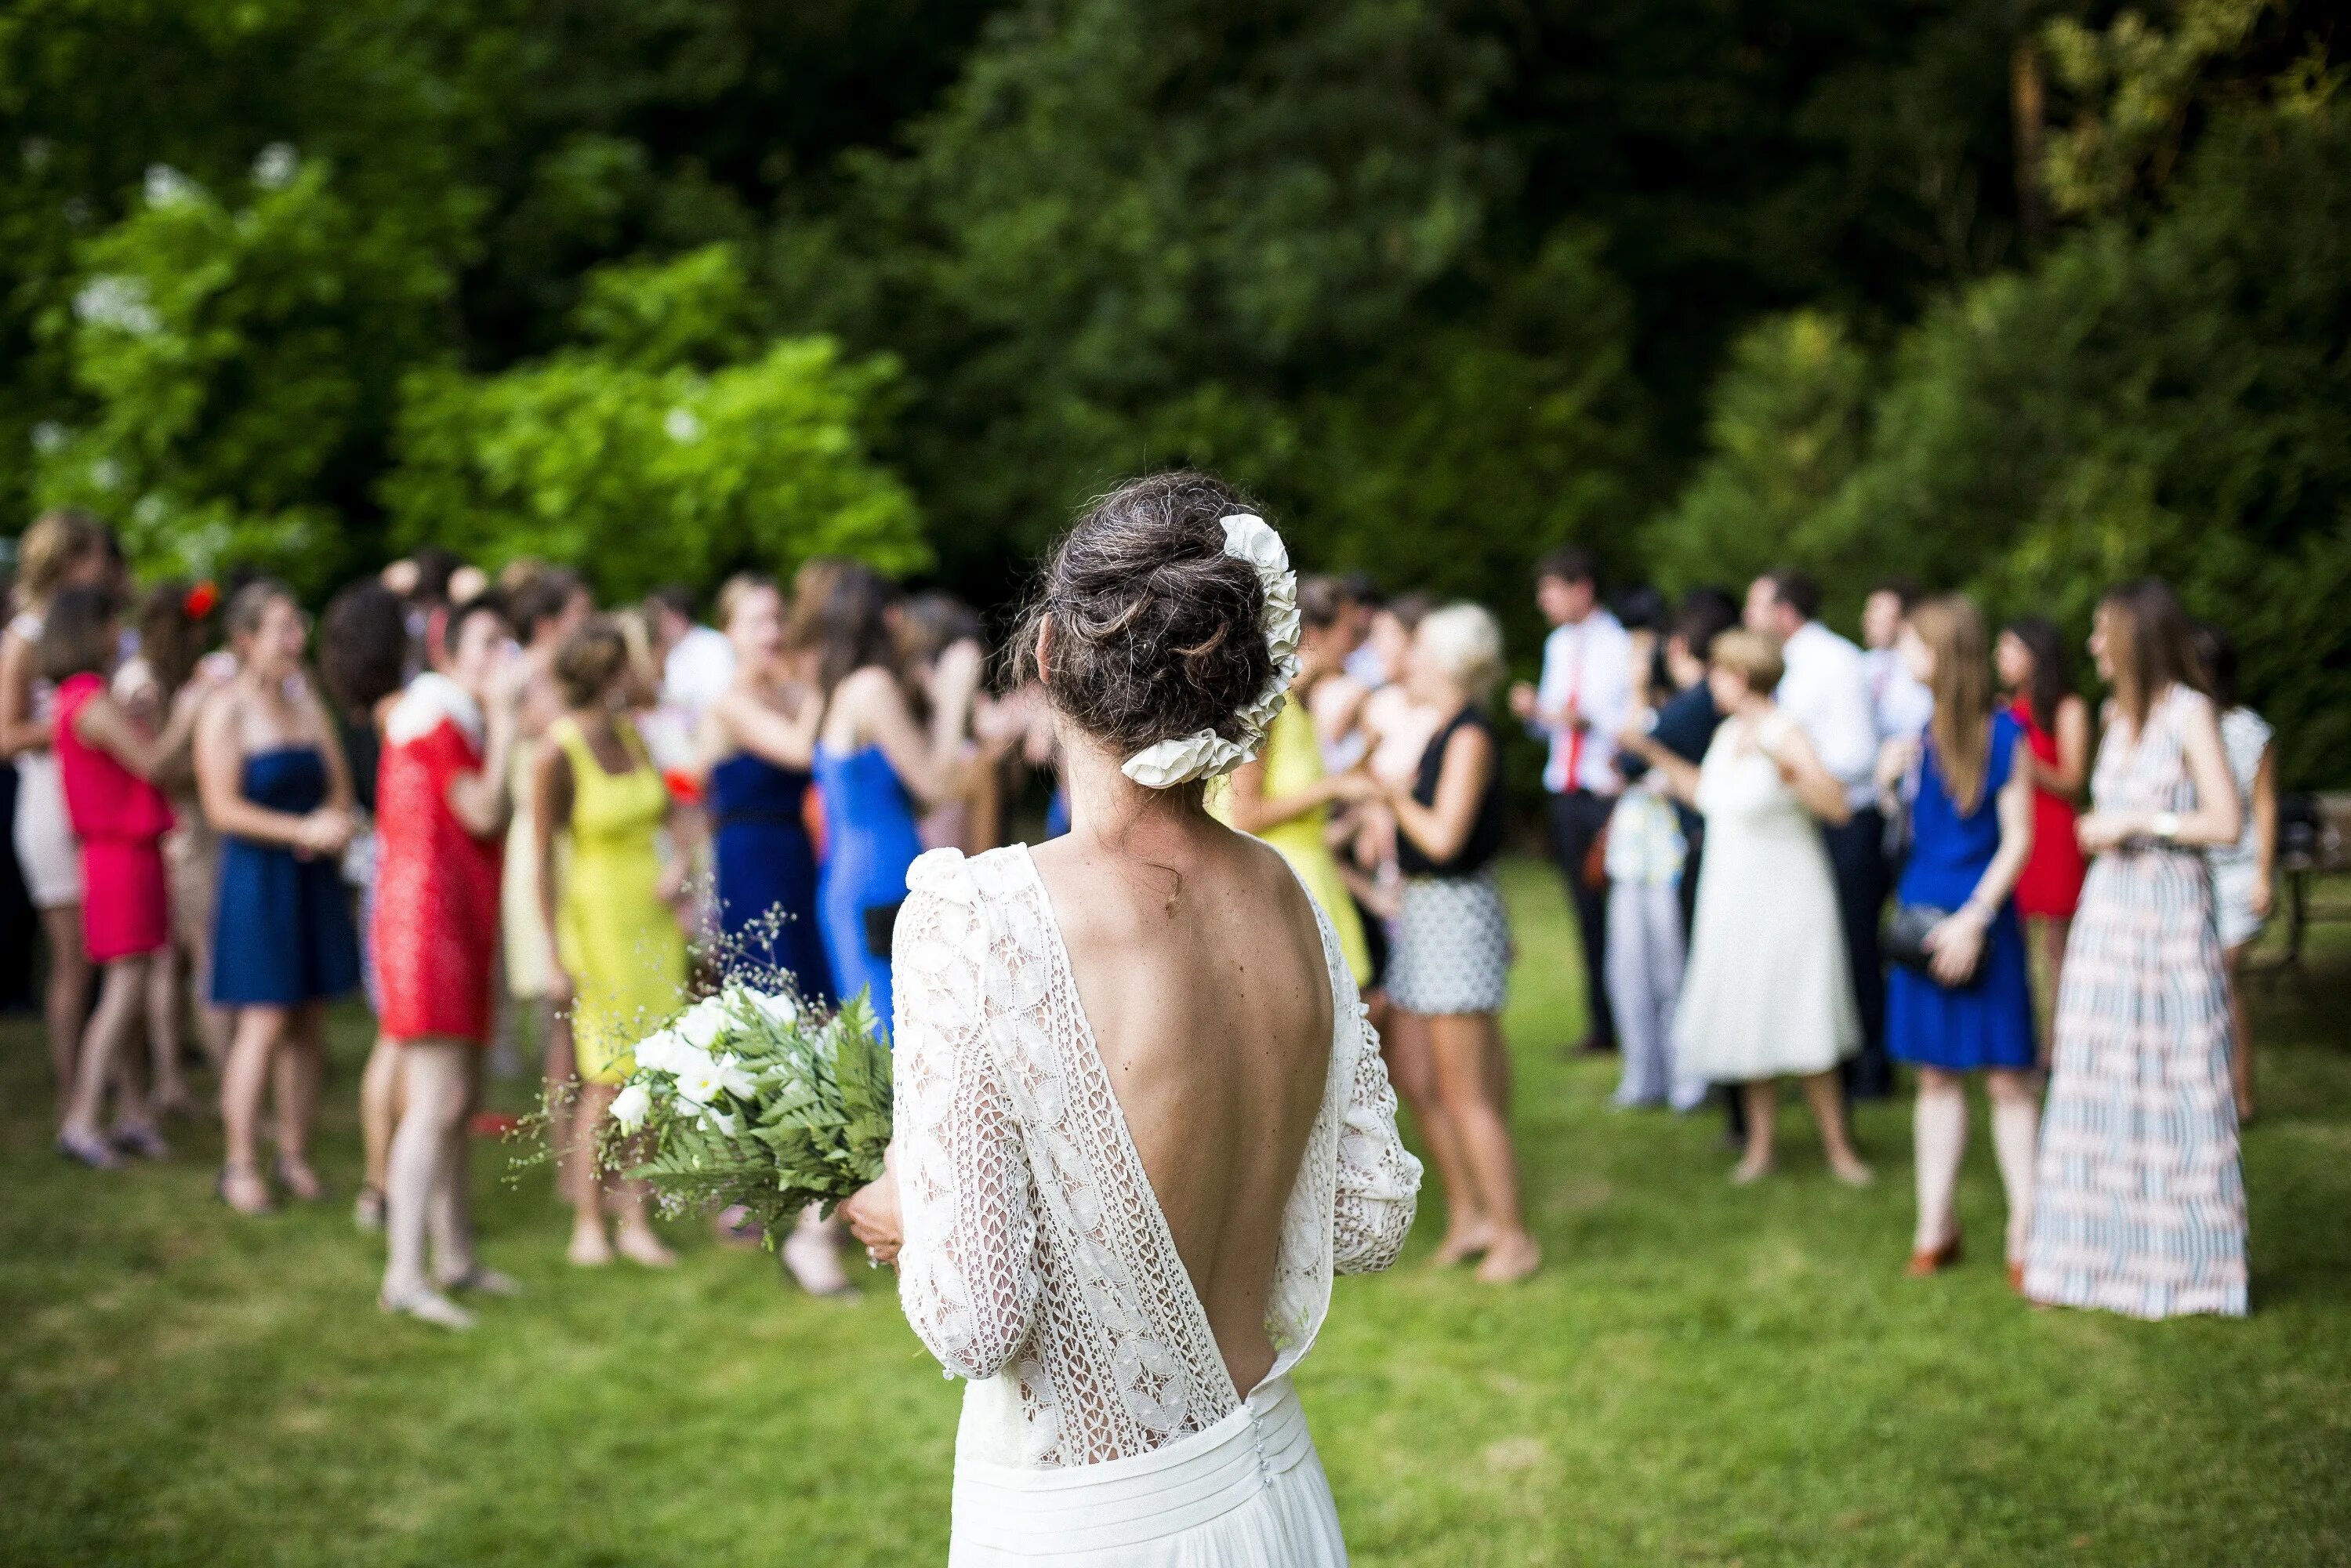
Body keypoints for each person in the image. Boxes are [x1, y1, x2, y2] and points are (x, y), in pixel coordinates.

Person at [837, 471, 1420, 1564]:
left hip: (1091, 1523)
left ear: (1048, 654)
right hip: (1277, 1493)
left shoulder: (978, 920)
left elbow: (975, 1321)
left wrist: (909, 1204)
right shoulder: (1290, 898)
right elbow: (1366, 1220)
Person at [2023, 581, 2247, 1319]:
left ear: (2132, 637)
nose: (2090, 645)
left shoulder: (2187, 713)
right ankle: (2091, 1253)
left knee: (2173, 1075)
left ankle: (2188, 1264)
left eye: (2100, 631)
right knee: (2096, 1075)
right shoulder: (2117, 718)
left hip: (2168, 914)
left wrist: (2139, 823)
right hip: (2109, 916)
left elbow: (2223, 821)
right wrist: (2099, 826)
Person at [1634, 629, 1872, 1185]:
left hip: (1787, 894)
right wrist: (1653, 754)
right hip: (1733, 895)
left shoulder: (1784, 732)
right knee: (1750, 1016)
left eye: (1716, 671)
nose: (1708, 681)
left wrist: (1791, 772)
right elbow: (1710, 797)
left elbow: (1837, 806)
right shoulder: (1725, 734)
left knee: (1803, 1011)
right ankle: (1760, 1147)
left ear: (1738, 676)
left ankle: (1839, 1148)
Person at [1876, 597, 2040, 1284]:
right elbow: (1912, 832)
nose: (1902, 657)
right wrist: (1889, 788)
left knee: (2007, 1078)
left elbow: (2019, 838)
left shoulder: (2006, 737)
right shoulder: (1917, 736)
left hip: (1982, 918)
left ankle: (2027, 1234)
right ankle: (1933, 1224)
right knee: (1935, 1075)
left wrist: (1974, 917)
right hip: (1921, 917)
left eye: (1912, 645)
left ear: (1944, 656)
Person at [375, 595, 526, 1329]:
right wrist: (503, 722)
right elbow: (484, 811)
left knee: (459, 1102)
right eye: (490, 642)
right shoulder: (435, 721)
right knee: (432, 1102)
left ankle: (454, 1256)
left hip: (456, 922)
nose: (505, 659)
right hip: (426, 927)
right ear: (449, 655)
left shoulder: (446, 720)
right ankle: (404, 1274)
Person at [1380, 603, 1540, 1283]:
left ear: (1445, 664)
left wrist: (1390, 798)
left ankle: (1513, 1236)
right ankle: (1469, 1214)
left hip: (1452, 915)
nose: (1405, 662)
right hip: (1426, 915)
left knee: (1467, 1091)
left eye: (1416, 652)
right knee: (1420, 1079)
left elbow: (1444, 838)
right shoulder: (1446, 729)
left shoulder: (1469, 737)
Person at [198, 580, 362, 1215]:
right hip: (258, 880)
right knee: (263, 1021)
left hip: (311, 877)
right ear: (246, 641)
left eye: (299, 627)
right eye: (283, 629)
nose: (297, 640)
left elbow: (341, 787)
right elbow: (220, 806)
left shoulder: (308, 705)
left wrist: (334, 820)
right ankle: (239, 1162)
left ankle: (294, 1152)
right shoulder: (226, 709)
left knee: (310, 1020)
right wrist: (300, 829)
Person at [535, 618, 686, 1269]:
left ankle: (636, 1214)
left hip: (651, 919)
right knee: (603, 1078)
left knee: (653, 1075)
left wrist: (682, 863)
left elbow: (674, 812)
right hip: (596, 923)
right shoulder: (557, 751)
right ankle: (587, 1220)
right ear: (607, 672)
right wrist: (550, 950)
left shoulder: (635, 737)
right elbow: (539, 857)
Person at [45, 588, 212, 1167]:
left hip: (126, 852)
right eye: (113, 621)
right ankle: (84, 1117)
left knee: (133, 985)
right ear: (89, 630)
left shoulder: (84, 699)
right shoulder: (88, 699)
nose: (122, 632)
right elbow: (153, 764)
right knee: (123, 990)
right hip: (119, 855)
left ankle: (133, 1113)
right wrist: (189, 715)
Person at [803, 561, 978, 1029]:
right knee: (897, 1038)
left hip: (859, 876)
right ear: (892, 617)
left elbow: (916, 797)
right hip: (880, 881)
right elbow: (936, 786)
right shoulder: (872, 687)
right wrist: (953, 696)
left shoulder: (838, 686)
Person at [1747, 570, 1892, 1098]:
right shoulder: (1789, 665)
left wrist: (1796, 767)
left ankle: (1870, 1070)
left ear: (1785, 614)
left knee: (1854, 944)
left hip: (1848, 821)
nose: (1749, 619)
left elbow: (1857, 755)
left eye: (1756, 607)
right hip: (1804, 822)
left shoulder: (1833, 662)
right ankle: (1824, 1060)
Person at [1603, 593, 1735, 1114]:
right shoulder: (1677, 704)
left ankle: (1683, 1077)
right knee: (1632, 969)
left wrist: (1638, 693)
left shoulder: (1690, 707)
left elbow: (1627, 757)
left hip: (1668, 856)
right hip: (1637, 854)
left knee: (1667, 969)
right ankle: (1650, 1076)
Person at [2, 509, 113, 1116]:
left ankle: (110, 1081)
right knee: (71, 959)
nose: (105, 569)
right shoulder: (25, 635)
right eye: (96, 555)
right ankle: (73, 1087)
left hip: (97, 798)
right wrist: (73, 725)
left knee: (111, 953)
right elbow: (4, 734)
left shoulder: (91, 627)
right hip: (50, 802)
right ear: (71, 561)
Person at [1210, 575, 1373, 988]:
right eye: (1353, 633)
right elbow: (1243, 815)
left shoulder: (1298, 705)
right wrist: (1332, 789)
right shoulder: (1265, 709)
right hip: (1277, 886)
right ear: (1315, 634)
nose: (1360, 647)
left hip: (1314, 877)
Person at [317, 580, 413, 1232]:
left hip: (382, 872)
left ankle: (385, 1181)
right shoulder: (400, 715)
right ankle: (387, 1180)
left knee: (394, 1036)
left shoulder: (350, 714)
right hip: (404, 876)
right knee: (400, 1038)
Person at [113, 579, 227, 1113]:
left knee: (177, 964)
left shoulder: (180, 677)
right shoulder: (143, 683)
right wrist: (210, 761)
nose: (203, 633)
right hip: (175, 837)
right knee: (193, 960)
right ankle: (209, 1083)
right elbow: (154, 766)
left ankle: (173, 1081)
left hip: (193, 831)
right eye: (194, 624)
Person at [1511, 549, 1631, 1054]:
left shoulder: (1618, 643)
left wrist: (1546, 712)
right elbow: (1554, 725)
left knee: (1614, 909)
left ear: (1582, 588)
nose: (1543, 601)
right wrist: (1534, 715)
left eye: (1551, 589)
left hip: (1604, 789)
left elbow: (1594, 717)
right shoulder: (1558, 644)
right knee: (1583, 911)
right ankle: (1601, 1023)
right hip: (1566, 786)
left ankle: (1629, 1021)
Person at [700, 573, 833, 999]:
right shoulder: (729, 704)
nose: (772, 633)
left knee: (813, 982)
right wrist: (818, 682)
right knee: (773, 978)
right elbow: (800, 750)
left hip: (797, 847)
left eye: (777, 619)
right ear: (729, 631)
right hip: (750, 854)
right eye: (757, 622)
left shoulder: (792, 695)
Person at [503, 567, 592, 1192]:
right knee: (562, 1017)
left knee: (584, 1013)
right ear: (549, 623)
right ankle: (565, 1157)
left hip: (579, 852)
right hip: (541, 851)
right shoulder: (526, 683)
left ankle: (584, 1150)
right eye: (580, 614)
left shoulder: (566, 682)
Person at [2193, 624, 2275, 1122]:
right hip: (2195, 871)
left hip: (2239, 869)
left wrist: (2264, 874)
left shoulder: (2249, 731)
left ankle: (2240, 1094)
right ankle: (2205, 1091)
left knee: (2223, 980)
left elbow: (2264, 808)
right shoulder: (2178, 723)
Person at [1995, 616, 2090, 1030]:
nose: (1999, 657)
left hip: (2054, 833)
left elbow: (2072, 781)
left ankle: (2060, 1041)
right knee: (2017, 945)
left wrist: (2023, 760)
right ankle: (2025, 1035)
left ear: (2035, 655)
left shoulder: (2069, 708)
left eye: (2009, 648)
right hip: (2015, 829)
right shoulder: (2003, 709)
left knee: (2056, 947)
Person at [1860, 577, 1935, 745]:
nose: (1866, 621)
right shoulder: (1866, 663)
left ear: (1903, 619)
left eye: (1876, 615)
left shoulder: (1921, 667)